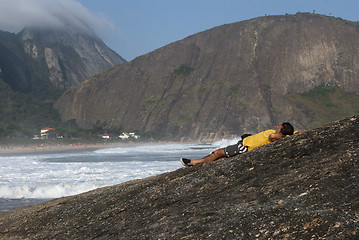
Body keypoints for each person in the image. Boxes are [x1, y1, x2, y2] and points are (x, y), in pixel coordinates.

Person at [180, 122, 300, 167]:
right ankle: (201, 164)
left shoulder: (274, 136)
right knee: (220, 157)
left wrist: (284, 135)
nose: (277, 126)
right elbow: (301, 132)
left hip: (243, 147)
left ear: (282, 130)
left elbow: (274, 137)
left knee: (217, 153)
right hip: (244, 143)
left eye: (280, 126)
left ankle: (194, 163)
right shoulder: (278, 134)